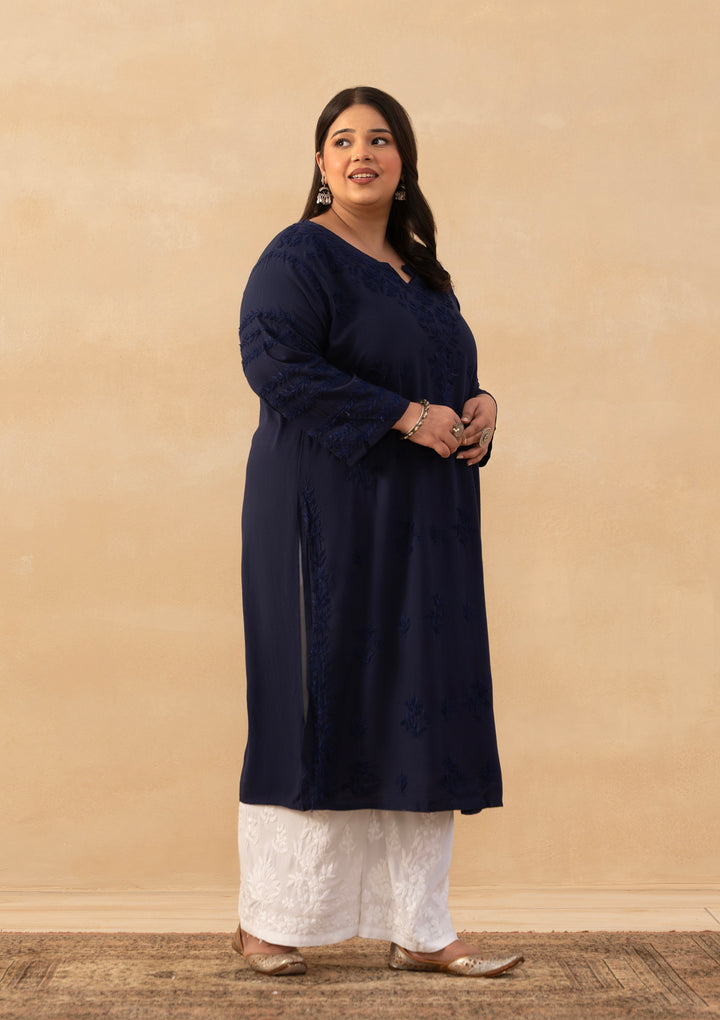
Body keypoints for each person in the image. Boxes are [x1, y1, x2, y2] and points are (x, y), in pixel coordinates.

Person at [234, 86, 523, 978]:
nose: (363, 152)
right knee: (316, 699)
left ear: (405, 163)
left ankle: (421, 928)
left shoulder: (423, 273)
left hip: (425, 522)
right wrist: (404, 416)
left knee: (420, 700)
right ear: (321, 163)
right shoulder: (299, 255)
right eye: (344, 139)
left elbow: (446, 372)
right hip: (322, 515)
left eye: (381, 139)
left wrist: (479, 405)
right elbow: (273, 362)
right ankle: (270, 921)